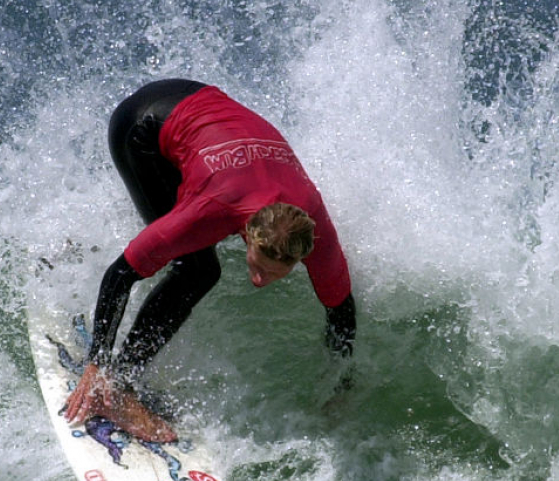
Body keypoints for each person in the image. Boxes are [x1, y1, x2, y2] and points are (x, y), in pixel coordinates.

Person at [64, 78, 356, 442]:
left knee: (185, 249)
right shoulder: (214, 207)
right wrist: (98, 364)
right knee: (198, 271)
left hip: (195, 108)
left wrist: (342, 385)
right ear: (250, 231)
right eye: (259, 267)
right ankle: (119, 390)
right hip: (142, 127)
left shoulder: (313, 225)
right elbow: (121, 274)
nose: (258, 281)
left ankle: (82, 249)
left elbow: (341, 310)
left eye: (272, 274)